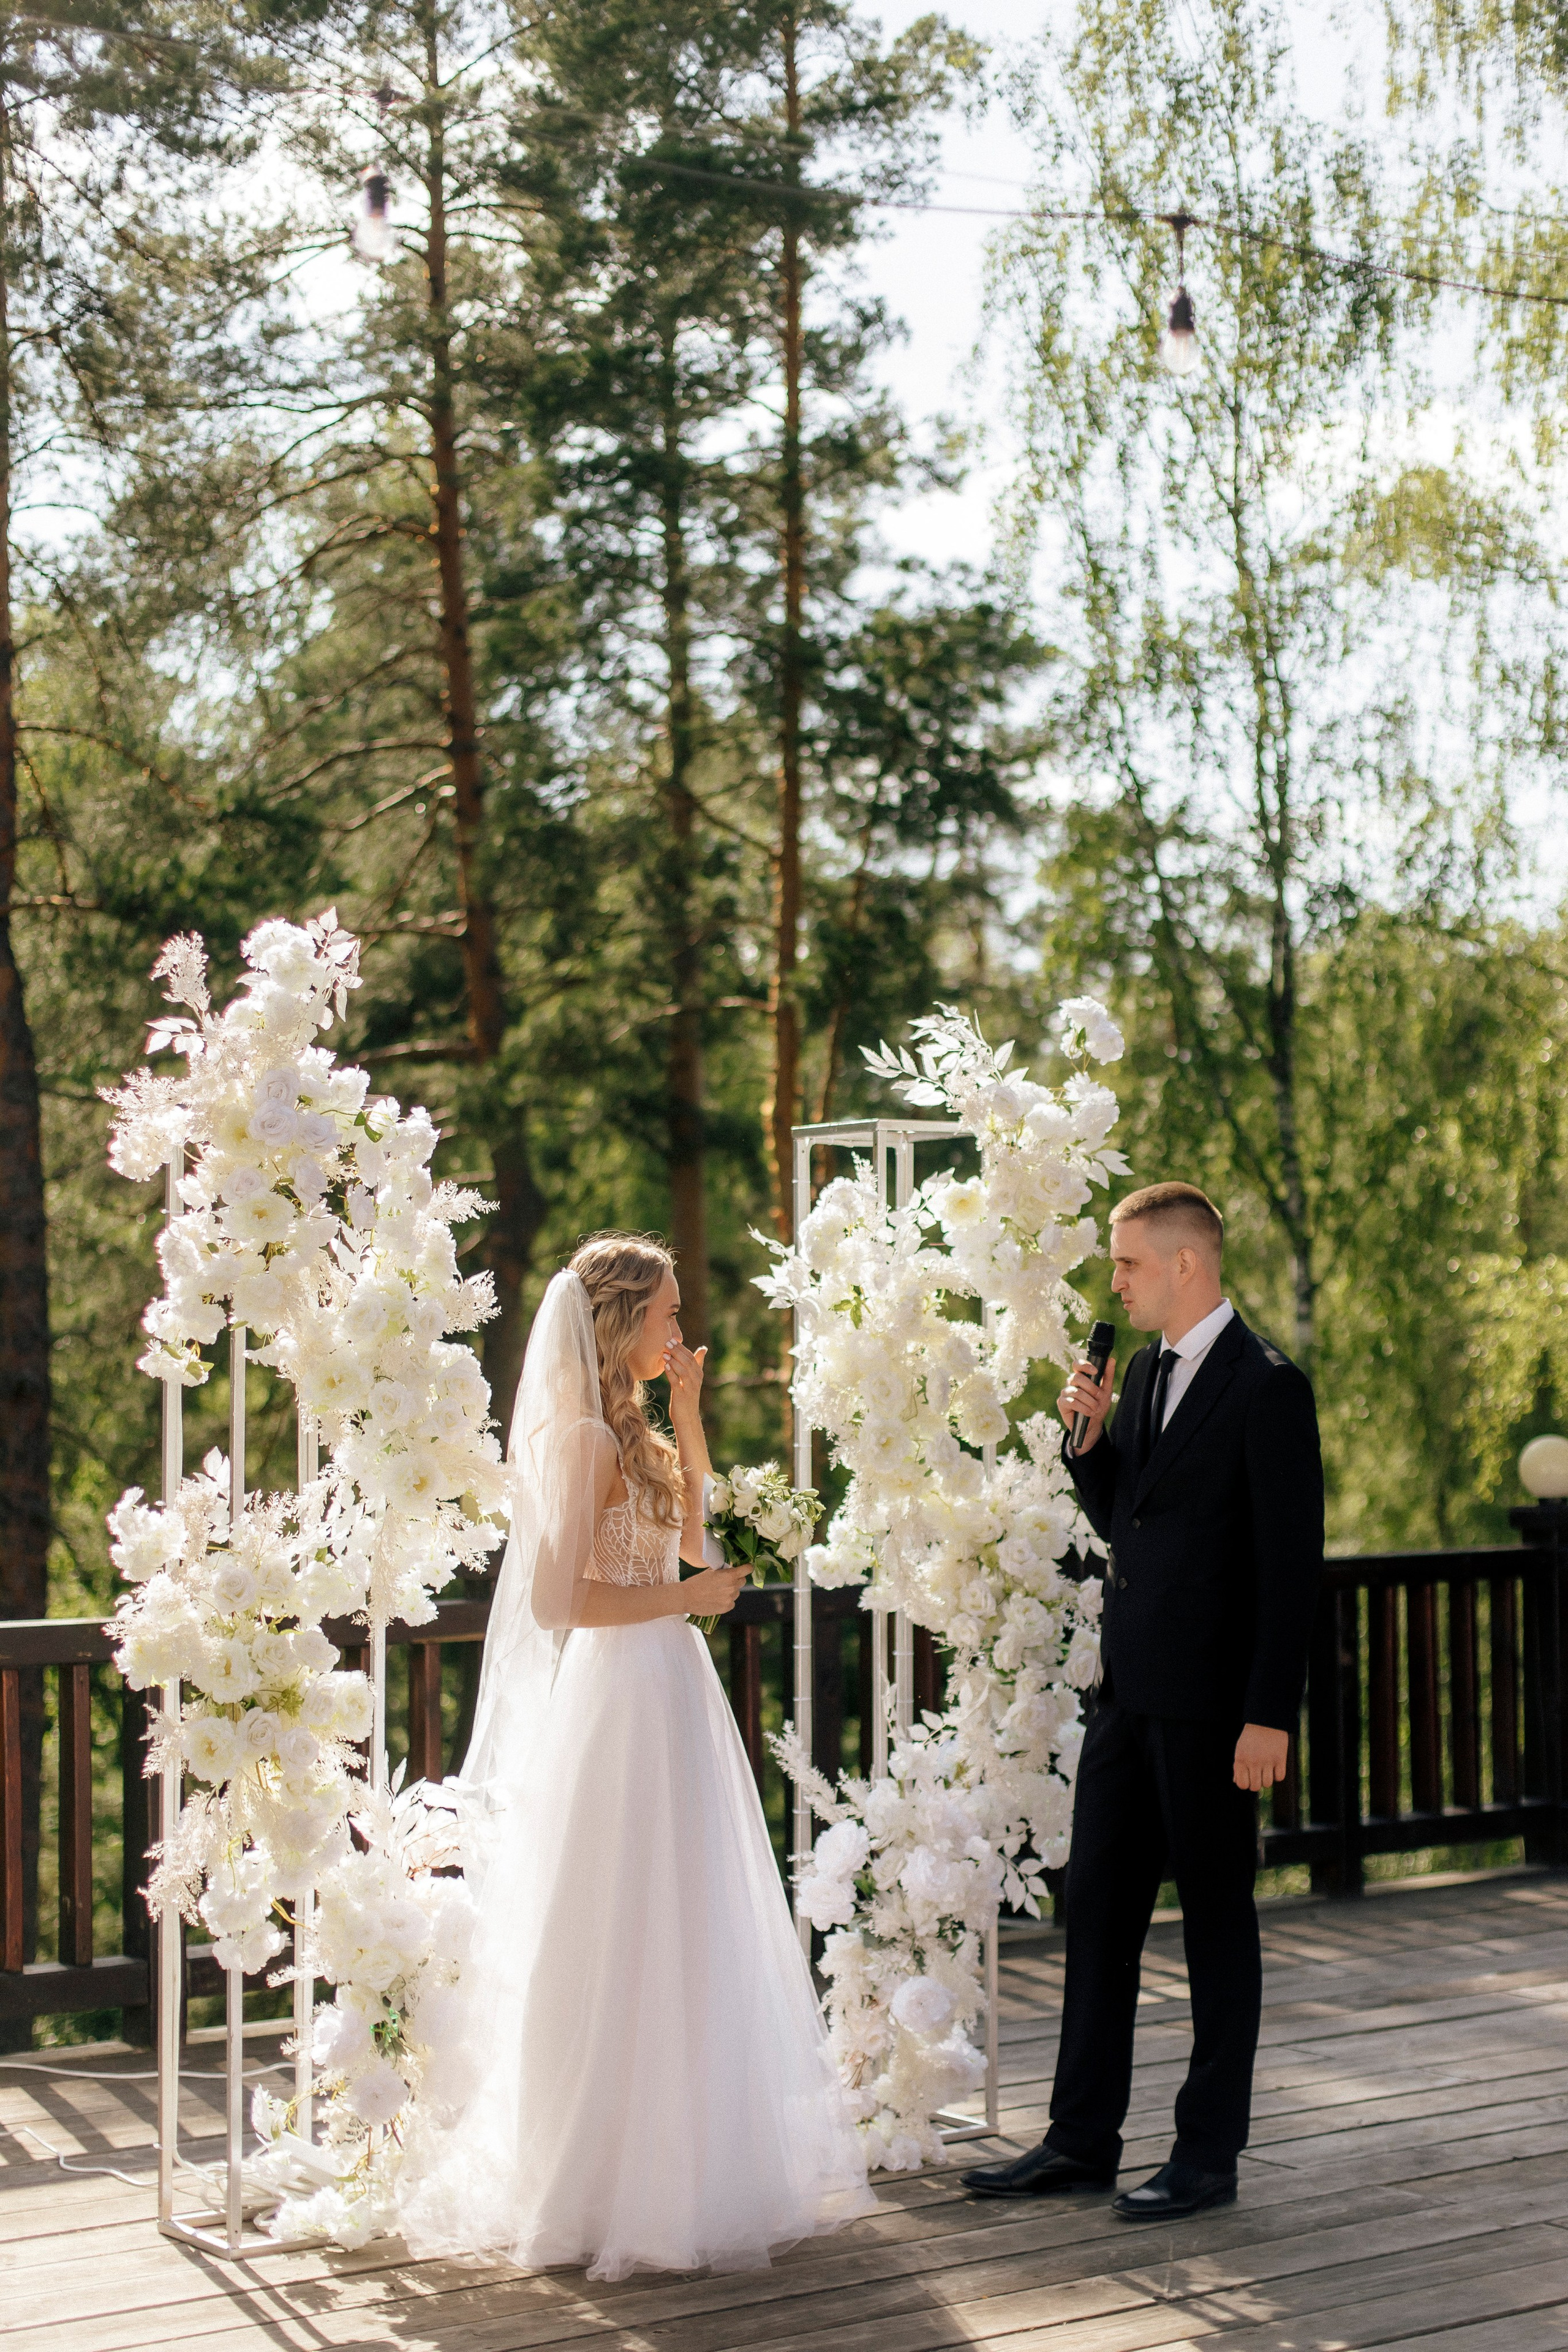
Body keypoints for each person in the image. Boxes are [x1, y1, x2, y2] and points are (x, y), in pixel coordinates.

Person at [396, 1234, 874, 2280]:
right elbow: (556, 1601)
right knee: (616, 1916)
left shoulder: (638, 1431)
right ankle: (599, 2177)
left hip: (673, 1691)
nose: (679, 1329)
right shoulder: (580, 1439)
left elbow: (699, 1545)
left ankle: (685, 2163)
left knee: (685, 1916)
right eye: (666, 1313)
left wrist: (691, 1421)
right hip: (617, 1698)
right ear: (618, 1321)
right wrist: (681, 1600)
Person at [962, 1181, 1323, 2222]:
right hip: (1126, 1696)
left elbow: (1291, 1566)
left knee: (1216, 1927)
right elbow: (1132, 1516)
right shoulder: (1151, 1372)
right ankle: (1081, 2141)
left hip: (1216, 1711)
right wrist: (1088, 1445)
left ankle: (1208, 2155)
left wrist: (1270, 1713)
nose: (1113, 1282)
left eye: (1127, 1264)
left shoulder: (1268, 1387)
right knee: (1097, 1915)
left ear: (1185, 1263)